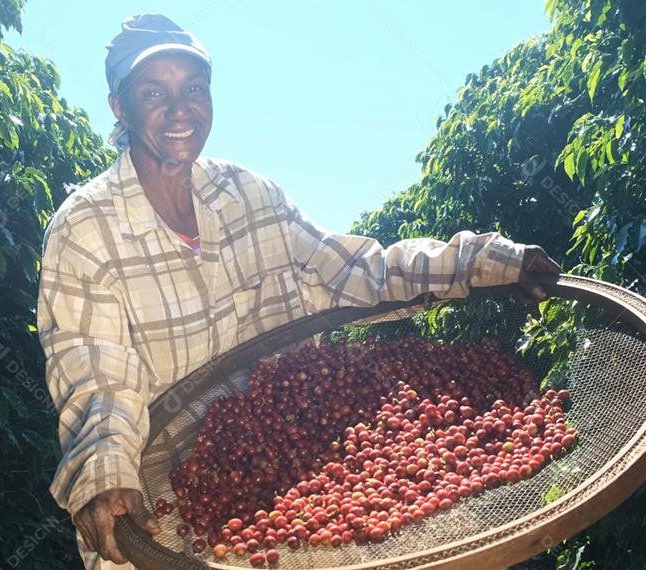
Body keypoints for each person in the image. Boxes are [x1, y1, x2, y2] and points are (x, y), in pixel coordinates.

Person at [35, 13, 561, 569]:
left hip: (299, 458)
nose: (180, 109)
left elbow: (360, 270)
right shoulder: (85, 229)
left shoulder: (247, 193)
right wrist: (107, 473)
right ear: (119, 105)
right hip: (167, 493)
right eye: (153, 92)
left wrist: (480, 261)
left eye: (193, 88)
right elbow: (97, 380)